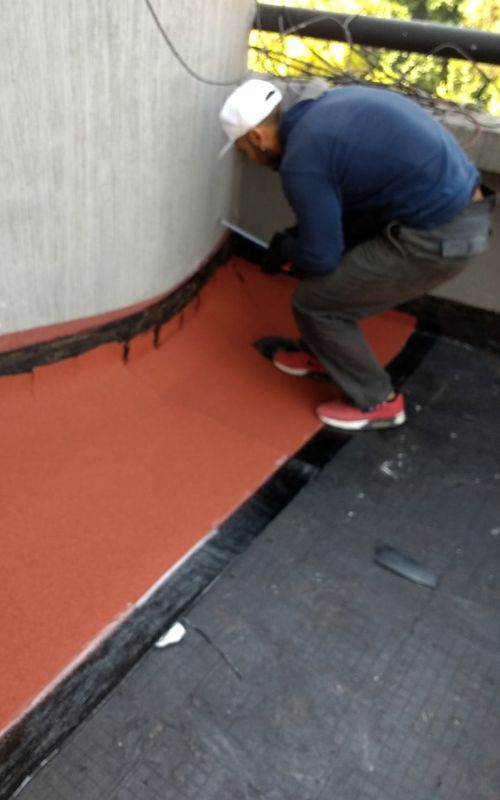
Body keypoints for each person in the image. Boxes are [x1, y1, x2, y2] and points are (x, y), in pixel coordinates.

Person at [219, 78, 495, 431]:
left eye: (245, 149)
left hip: (440, 236)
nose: (252, 158)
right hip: (456, 210)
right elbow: (347, 215)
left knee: (316, 304)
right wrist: (298, 241)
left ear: (257, 136)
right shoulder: (327, 108)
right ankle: (325, 354)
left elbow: (322, 257)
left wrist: (288, 249)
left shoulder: (303, 159)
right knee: (323, 270)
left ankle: (378, 400)